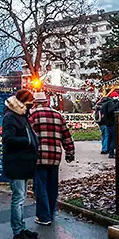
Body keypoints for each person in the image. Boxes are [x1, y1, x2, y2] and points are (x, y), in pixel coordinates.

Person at [1, 88, 40, 239]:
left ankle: (22, 228)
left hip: (22, 162)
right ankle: (17, 232)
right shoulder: (11, 117)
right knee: (18, 199)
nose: (32, 107)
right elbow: (7, 138)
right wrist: (27, 141)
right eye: (30, 103)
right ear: (23, 103)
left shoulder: (20, 115)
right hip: (16, 163)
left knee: (21, 197)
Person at [28, 94, 75, 226]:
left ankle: (43, 216)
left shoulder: (32, 115)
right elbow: (66, 135)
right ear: (46, 102)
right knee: (52, 186)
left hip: (39, 156)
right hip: (55, 156)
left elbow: (29, 135)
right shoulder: (58, 115)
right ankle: (51, 211)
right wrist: (70, 151)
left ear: (35, 103)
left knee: (40, 187)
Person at [97, 90, 119, 155]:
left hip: (102, 123)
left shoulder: (101, 104)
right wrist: (117, 103)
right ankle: (108, 150)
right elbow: (111, 111)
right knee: (110, 137)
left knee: (105, 136)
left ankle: (105, 148)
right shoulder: (110, 103)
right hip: (110, 123)